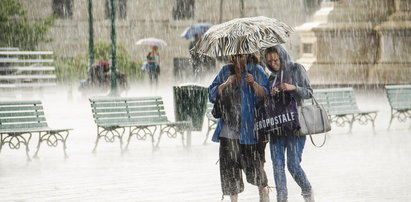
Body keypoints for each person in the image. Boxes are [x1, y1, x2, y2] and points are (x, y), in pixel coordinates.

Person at [208, 53, 270, 202]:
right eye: (235, 56)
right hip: (228, 134)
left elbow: (266, 95)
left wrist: (254, 83)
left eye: (241, 56)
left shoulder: (256, 70)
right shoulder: (225, 70)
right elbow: (211, 94)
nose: (238, 59)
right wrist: (226, 83)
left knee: (257, 173)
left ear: (248, 54)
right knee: (230, 176)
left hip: (251, 133)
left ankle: (265, 197)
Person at [264, 45, 315, 202]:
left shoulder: (296, 69)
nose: (273, 64)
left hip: (295, 126)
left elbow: (309, 93)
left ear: (282, 56)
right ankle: (282, 198)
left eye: (276, 60)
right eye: (270, 61)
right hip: (277, 128)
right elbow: (267, 105)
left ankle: (307, 191)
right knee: (277, 166)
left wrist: (293, 87)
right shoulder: (271, 78)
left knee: (293, 165)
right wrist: (271, 95)